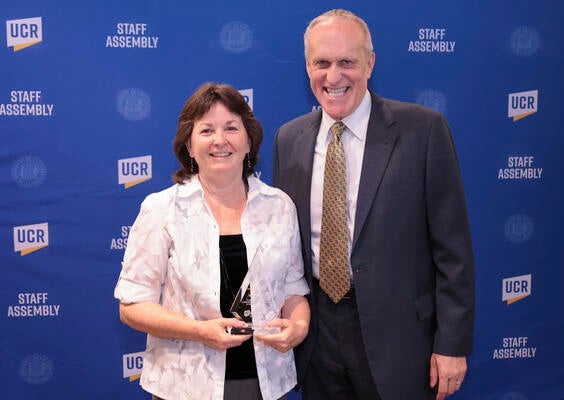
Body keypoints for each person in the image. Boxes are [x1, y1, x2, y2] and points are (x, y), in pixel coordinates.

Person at [272, 9, 475, 400]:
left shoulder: (423, 131)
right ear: (307, 66)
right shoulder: (289, 138)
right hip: (317, 339)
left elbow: (454, 252)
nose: (333, 77)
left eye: (347, 62)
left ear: (370, 63)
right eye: (322, 63)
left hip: (401, 341)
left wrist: (451, 344)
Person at [115, 82, 310, 400]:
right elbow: (132, 306)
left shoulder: (280, 207)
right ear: (189, 146)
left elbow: (293, 290)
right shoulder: (161, 209)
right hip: (185, 386)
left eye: (231, 128)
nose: (220, 140)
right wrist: (199, 331)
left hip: (265, 384)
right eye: (206, 131)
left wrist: (299, 327)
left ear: (249, 141)